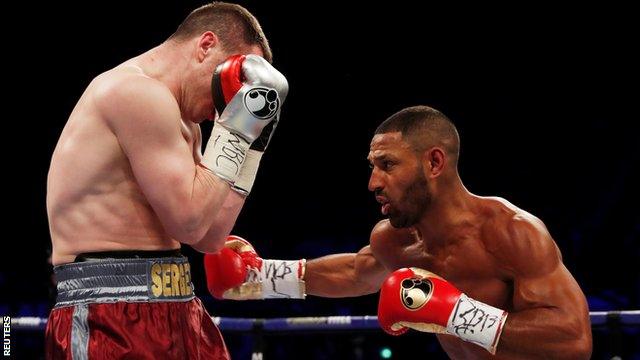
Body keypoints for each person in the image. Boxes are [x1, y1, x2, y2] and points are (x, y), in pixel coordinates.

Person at [205, 106, 593, 359]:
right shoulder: (396, 240)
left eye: (387, 165)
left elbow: (575, 340)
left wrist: (456, 313)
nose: (373, 182)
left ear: (435, 162)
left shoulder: (511, 232)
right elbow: (357, 272)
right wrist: (259, 278)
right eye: (372, 166)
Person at [45, 2, 288, 359]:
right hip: (108, 315)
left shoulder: (186, 124)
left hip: (180, 307)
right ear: (206, 46)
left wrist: (252, 147)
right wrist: (236, 130)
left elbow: (209, 236)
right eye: (236, 80)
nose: (231, 101)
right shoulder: (134, 92)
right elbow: (189, 221)